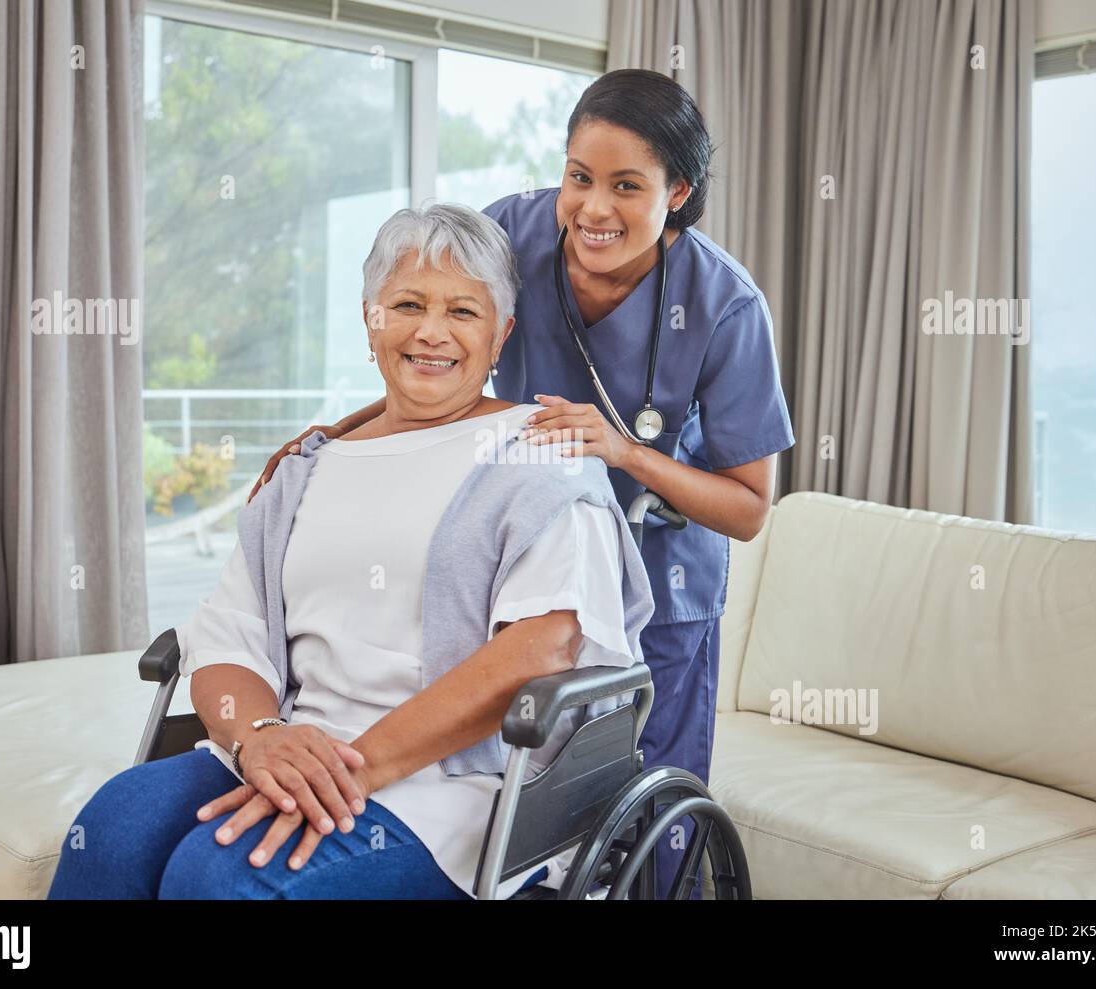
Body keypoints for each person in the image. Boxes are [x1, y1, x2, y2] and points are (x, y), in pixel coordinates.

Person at [251, 70, 795, 898]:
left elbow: (751, 508)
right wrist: (339, 433)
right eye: (579, 176)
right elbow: (438, 362)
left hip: (664, 595)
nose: (591, 209)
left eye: (626, 186)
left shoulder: (724, 306)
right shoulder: (513, 231)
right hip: (524, 565)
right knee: (514, 806)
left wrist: (625, 453)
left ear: (677, 193)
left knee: (643, 834)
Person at [47, 203, 654, 899]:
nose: (431, 331)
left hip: (451, 786)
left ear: (500, 336)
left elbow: (543, 647)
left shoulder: (539, 455)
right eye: (407, 304)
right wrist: (261, 738)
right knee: (112, 831)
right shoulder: (306, 468)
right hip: (289, 746)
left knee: (218, 879)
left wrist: (356, 767)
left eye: (463, 311)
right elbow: (227, 640)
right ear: (371, 321)